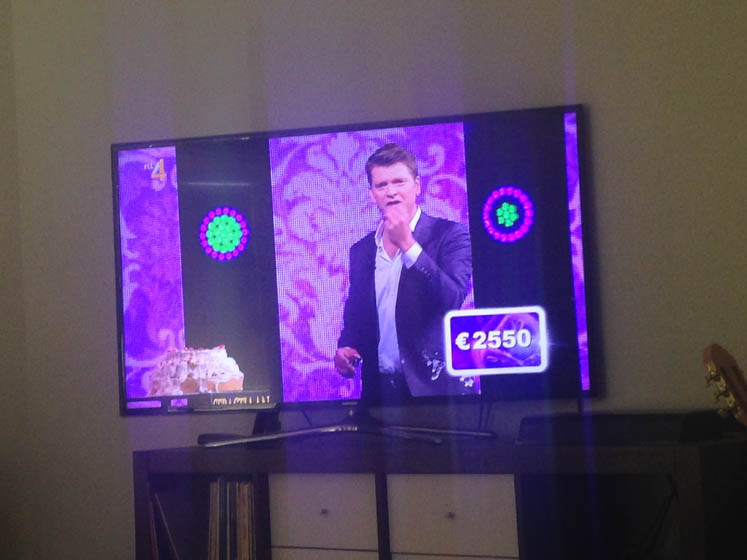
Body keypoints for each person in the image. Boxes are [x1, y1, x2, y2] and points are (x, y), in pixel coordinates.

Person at [334, 143, 476, 400]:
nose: (391, 192)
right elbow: (356, 311)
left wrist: (409, 246)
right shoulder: (362, 250)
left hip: (437, 391)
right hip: (379, 392)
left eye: (399, 182)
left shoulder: (450, 235)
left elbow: (452, 298)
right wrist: (346, 345)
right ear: (372, 194)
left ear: (417, 186)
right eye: (382, 185)